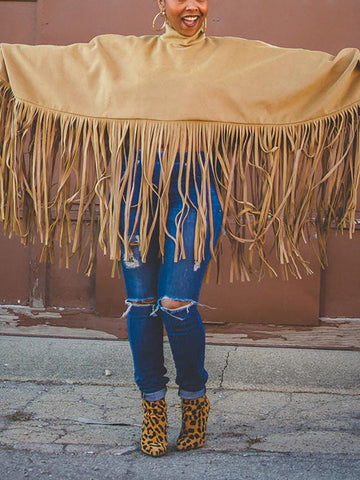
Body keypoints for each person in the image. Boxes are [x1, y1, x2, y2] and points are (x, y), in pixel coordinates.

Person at [1, 0, 360, 460]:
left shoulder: (232, 57)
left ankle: (194, 400)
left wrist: (348, 68)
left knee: (175, 305)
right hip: (134, 194)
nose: (192, 5)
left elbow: (299, 71)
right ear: (161, 3)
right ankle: (153, 408)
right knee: (140, 304)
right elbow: (58, 63)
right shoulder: (125, 55)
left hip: (193, 196)